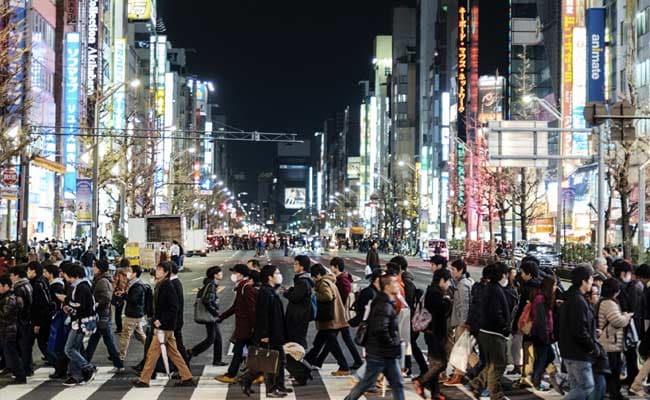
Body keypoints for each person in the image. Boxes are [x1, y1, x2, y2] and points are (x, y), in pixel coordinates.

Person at [133, 261, 194, 387]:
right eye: (157, 269)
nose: (157, 271)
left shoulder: (167, 285)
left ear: (166, 273)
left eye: (160, 269)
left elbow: (174, 307)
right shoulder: (161, 284)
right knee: (174, 353)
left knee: (152, 353)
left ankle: (144, 379)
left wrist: (161, 320)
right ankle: (187, 376)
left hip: (164, 326)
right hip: (165, 326)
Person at [344, 274, 405, 400]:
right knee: (365, 383)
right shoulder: (384, 305)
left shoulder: (385, 302)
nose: (397, 285)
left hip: (386, 353)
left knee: (397, 384)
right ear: (387, 286)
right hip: (380, 353)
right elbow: (380, 329)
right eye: (394, 283)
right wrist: (392, 342)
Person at [467, 262, 514, 400]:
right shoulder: (495, 290)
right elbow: (495, 314)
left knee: (490, 365)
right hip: (494, 334)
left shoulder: (489, 288)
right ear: (503, 275)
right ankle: (496, 395)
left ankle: (477, 384)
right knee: (498, 365)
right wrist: (504, 326)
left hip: (485, 332)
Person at [241, 265, 288, 398]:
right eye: (277, 273)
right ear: (270, 277)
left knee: (278, 360)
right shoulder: (265, 292)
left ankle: (278, 386)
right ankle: (271, 388)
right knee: (270, 362)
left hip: (276, 332)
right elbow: (262, 315)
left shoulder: (271, 291)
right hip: (270, 333)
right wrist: (265, 335)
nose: (279, 275)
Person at [559, 265, 599, 399]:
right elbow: (579, 330)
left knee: (576, 387)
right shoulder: (578, 300)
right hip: (578, 352)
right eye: (591, 279)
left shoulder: (571, 297)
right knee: (586, 386)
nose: (592, 282)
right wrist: (592, 347)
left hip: (569, 350)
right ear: (583, 281)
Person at [316, 257, 363, 369]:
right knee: (337, 339)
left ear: (336, 267)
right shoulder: (341, 279)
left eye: (332, 266)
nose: (331, 269)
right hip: (340, 315)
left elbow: (343, 297)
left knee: (332, 339)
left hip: (341, 315)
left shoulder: (342, 280)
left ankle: (319, 361)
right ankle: (319, 361)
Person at [304, 263, 351, 375]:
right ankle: (307, 361)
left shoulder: (323, 283)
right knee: (319, 342)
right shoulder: (330, 281)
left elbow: (327, 296)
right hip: (333, 317)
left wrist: (314, 294)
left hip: (329, 319)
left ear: (319, 275)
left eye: (314, 276)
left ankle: (344, 367)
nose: (314, 279)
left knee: (332, 344)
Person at [414, 268, 452, 400]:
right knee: (440, 363)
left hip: (432, 333)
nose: (448, 285)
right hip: (434, 333)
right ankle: (420, 381)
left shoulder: (433, 291)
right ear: (442, 280)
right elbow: (441, 311)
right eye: (447, 281)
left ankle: (435, 393)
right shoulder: (434, 293)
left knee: (434, 363)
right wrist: (447, 301)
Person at [216, 264, 258, 383]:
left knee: (239, 351)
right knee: (245, 351)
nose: (233, 275)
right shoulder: (241, 287)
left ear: (241, 274)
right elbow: (236, 306)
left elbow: (252, 309)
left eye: (235, 273)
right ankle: (255, 374)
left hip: (246, 327)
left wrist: (254, 327)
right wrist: (222, 317)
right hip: (244, 326)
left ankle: (231, 374)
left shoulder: (246, 288)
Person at [597, 278, 633, 400]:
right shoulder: (609, 303)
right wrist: (626, 316)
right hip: (610, 341)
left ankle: (613, 393)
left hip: (610, 341)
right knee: (613, 370)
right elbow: (617, 321)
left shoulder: (605, 301)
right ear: (615, 290)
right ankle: (615, 395)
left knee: (613, 369)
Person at [84, 259, 124, 371]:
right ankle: (117, 363)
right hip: (102, 315)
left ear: (99, 268)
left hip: (102, 315)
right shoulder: (100, 279)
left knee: (104, 339)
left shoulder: (102, 281)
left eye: (94, 266)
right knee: (100, 339)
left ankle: (84, 362)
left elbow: (106, 298)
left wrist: (95, 304)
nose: (93, 268)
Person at [62, 263, 97, 386]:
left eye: (68, 276)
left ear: (75, 276)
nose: (67, 279)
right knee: (75, 349)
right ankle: (77, 375)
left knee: (69, 349)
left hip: (81, 322)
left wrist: (69, 305)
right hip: (83, 321)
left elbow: (80, 305)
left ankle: (88, 367)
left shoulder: (81, 287)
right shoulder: (85, 284)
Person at [612, 260, 644, 386]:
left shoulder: (622, 286)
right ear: (623, 273)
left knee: (627, 354)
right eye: (629, 273)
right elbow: (632, 307)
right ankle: (631, 378)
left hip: (623, 324)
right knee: (629, 353)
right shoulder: (626, 287)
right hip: (626, 323)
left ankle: (630, 377)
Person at [188, 266, 225, 366]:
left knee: (217, 338)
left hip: (210, 315)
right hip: (210, 315)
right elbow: (206, 301)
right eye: (220, 273)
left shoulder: (210, 284)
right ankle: (191, 352)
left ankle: (217, 360)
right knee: (211, 338)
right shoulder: (211, 285)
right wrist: (215, 313)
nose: (222, 275)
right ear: (215, 275)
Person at [511, 260, 541, 381]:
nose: (521, 275)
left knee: (527, 346)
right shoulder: (540, 285)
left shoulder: (527, 288)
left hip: (527, 322)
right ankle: (530, 373)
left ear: (529, 274)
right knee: (532, 348)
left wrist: (516, 323)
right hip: (536, 322)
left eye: (523, 273)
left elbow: (522, 308)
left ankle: (527, 374)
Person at [444, 259, 473, 386]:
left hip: (463, 323)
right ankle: (469, 372)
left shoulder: (463, 284)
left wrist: (463, 322)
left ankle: (460, 374)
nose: (452, 272)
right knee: (465, 349)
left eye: (453, 270)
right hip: (462, 322)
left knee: (461, 350)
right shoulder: (461, 283)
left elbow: (464, 305)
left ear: (461, 270)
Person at [528, 275, 559, 391]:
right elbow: (541, 320)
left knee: (544, 357)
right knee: (543, 357)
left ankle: (536, 378)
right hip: (540, 334)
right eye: (554, 285)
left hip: (542, 334)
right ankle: (536, 381)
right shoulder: (540, 299)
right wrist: (546, 335)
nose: (556, 287)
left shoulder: (543, 298)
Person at [26, 261, 55, 363]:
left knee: (40, 343)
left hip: (40, 319)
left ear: (33, 271)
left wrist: (37, 323)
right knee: (41, 343)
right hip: (45, 317)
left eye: (28, 270)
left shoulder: (37, 284)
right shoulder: (43, 281)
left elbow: (39, 305)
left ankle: (58, 365)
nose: (27, 273)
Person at [118, 263, 147, 362]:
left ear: (135, 273)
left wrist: (124, 295)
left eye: (130, 271)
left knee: (125, 335)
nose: (127, 273)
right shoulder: (133, 284)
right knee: (140, 334)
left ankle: (121, 356)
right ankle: (152, 348)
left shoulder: (137, 286)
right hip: (136, 313)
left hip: (133, 314)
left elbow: (133, 299)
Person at [0, 275, 26, 384]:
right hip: (7, 330)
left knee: (12, 354)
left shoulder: (10, 298)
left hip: (10, 330)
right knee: (9, 353)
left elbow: (6, 315)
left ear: (6, 286)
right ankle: (14, 372)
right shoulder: (8, 297)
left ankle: (20, 376)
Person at [8, 266, 34, 377]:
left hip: (22, 320)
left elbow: (19, 306)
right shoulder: (28, 284)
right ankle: (28, 368)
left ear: (16, 275)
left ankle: (25, 369)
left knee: (22, 346)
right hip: (27, 319)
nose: (10, 278)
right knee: (26, 346)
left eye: (11, 275)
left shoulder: (19, 288)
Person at [283, 255, 314, 347]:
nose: (294, 266)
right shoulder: (302, 280)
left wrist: (286, 292)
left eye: (296, 264)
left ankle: (299, 359)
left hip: (298, 317)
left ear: (302, 266)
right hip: (299, 316)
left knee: (297, 341)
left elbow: (295, 297)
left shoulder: (303, 282)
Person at [169, 261, 189, 364]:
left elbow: (174, 305)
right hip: (175, 320)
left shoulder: (173, 283)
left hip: (174, 321)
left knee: (178, 346)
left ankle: (184, 369)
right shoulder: (175, 282)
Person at [112, 259, 130, 334]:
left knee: (118, 312)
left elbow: (115, 282)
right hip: (127, 292)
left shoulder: (118, 272)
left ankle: (119, 328)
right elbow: (129, 281)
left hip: (119, 292)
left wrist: (114, 290)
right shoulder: (130, 271)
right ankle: (130, 327)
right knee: (129, 310)